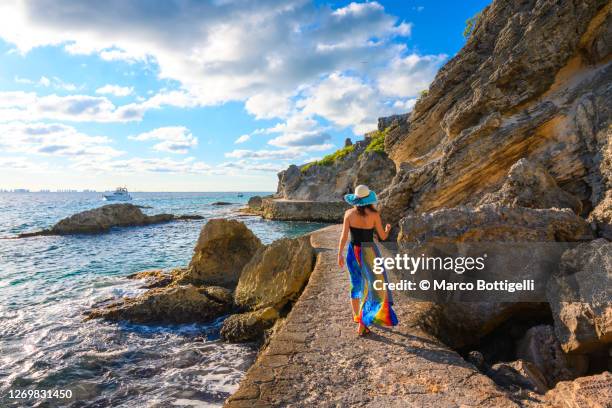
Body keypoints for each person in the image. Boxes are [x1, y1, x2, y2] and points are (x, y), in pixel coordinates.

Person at [337, 184, 399, 336]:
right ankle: (363, 324)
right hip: (370, 252)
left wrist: (339, 254)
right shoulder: (375, 215)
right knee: (375, 286)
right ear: (369, 199)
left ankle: (357, 317)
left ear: (356, 199)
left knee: (356, 284)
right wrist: (387, 230)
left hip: (353, 252)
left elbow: (344, 236)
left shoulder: (348, 214)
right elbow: (383, 237)